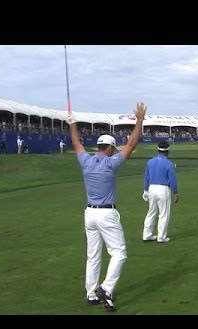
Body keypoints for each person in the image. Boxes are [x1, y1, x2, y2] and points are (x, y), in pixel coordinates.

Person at [67, 102, 146, 312]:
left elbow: (76, 142)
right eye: (114, 148)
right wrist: (139, 119)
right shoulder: (111, 163)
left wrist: (72, 122)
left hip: (89, 214)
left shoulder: (86, 161)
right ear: (109, 148)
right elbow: (132, 143)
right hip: (106, 214)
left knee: (93, 255)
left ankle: (91, 293)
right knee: (119, 253)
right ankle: (106, 288)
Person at [142, 140, 179, 243]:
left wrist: (145, 190)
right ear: (167, 151)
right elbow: (172, 180)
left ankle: (147, 234)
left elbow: (146, 177)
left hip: (151, 188)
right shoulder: (169, 164)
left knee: (151, 212)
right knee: (163, 214)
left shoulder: (150, 162)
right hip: (163, 189)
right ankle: (161, 237)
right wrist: (175, 192)